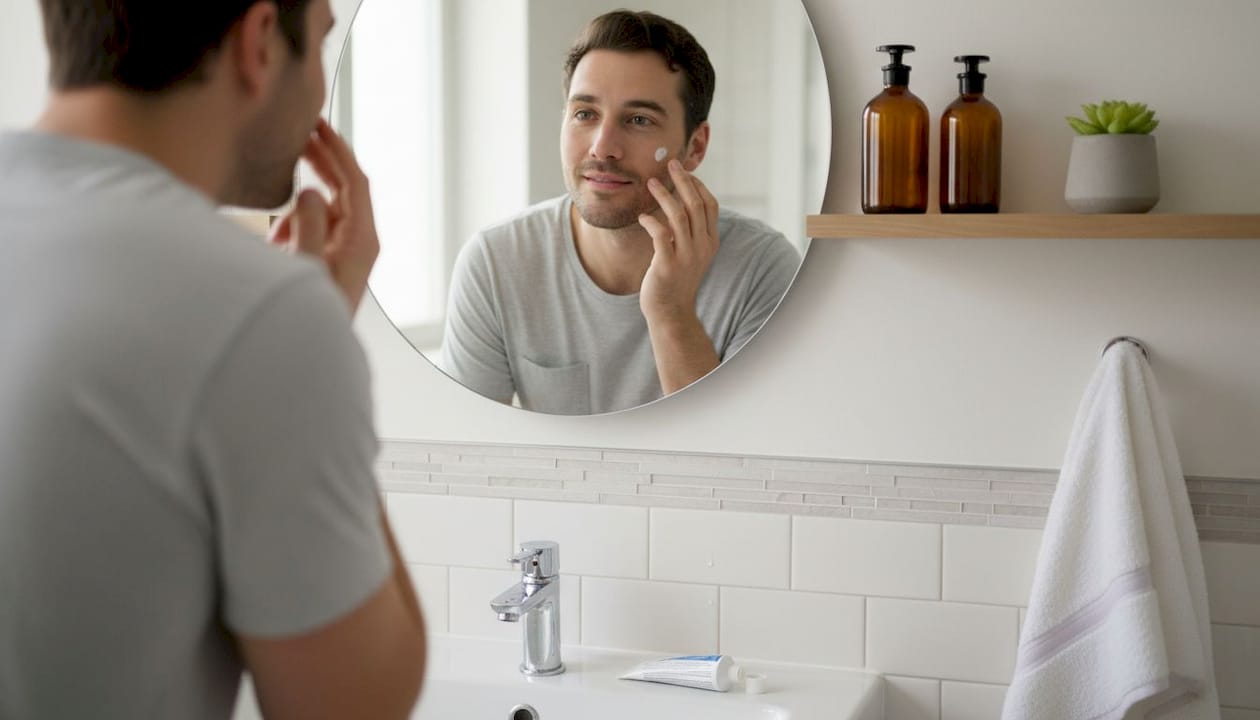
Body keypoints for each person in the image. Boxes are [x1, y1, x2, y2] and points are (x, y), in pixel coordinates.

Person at [0, 2, 426, 719]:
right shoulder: (261, 316)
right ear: (260, 43)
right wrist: (314, 332)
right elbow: (352, 707)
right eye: (319, 42)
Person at [441, 10, 801, 416]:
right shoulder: (495, 262)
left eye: (638, 119)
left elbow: (740, 461)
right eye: (585, 114)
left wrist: (671, 312)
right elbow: (468, 445)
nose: (602, 147)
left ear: (696, 146)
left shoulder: (763, 270)